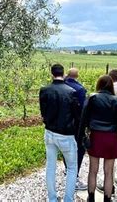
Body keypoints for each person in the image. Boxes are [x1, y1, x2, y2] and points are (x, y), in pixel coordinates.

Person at [79, 75, 117, 202]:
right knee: (109, 172)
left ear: (99, 84)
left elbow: (84, 119)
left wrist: (80, 137)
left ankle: (91, 198)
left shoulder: (93, 98)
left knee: (93, 170)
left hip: (96, 136)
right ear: (111, 86)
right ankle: (107, 199)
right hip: (111, 138)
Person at [39, 64, 81, 202]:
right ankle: (68, 199)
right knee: (71, 168)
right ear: (63, 74)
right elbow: (77, 115)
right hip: (66, 135)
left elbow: (43, 113)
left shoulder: (44, 90)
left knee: (50, 166)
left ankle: (52, 198)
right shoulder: (71, 92)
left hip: (49, 132)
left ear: (52, 74)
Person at [64, 68, 88, 191]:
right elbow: (83, 110)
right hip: (76, 125)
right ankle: (75, 177)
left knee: (66, 148)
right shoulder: (79, 89)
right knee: (79, 149)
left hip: (63, 123)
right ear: (77, 76)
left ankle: (67, 169)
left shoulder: (62, 84)